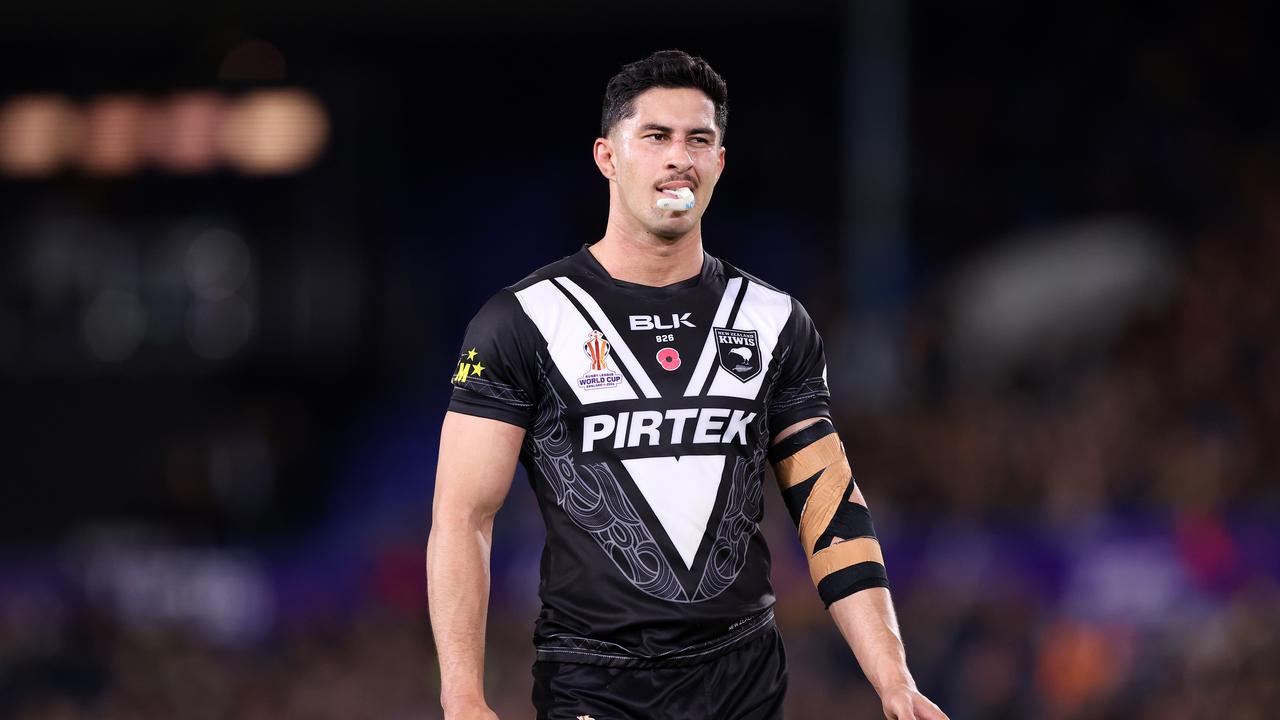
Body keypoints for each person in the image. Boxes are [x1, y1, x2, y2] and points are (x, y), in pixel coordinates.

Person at [426, 49, 947, 720]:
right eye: (656, 137)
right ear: (607, 157)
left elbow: (831, 511)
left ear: (719, 164)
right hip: (593, 682)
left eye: (699, 139)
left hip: (744, 682)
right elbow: (462, 518)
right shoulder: (521, 320)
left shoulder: (773, 320)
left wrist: (893, 680)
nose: (680, 158)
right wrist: (462, 696)